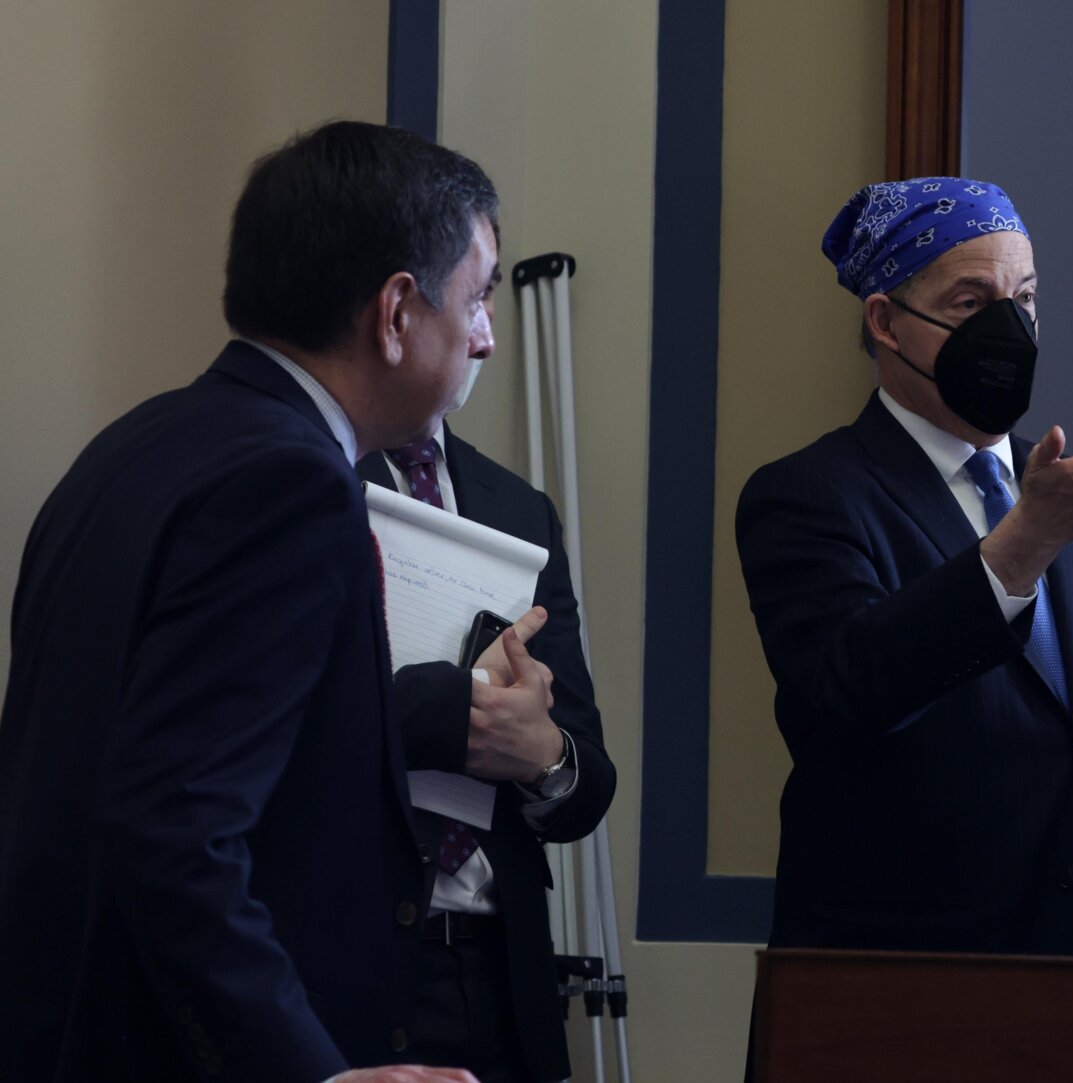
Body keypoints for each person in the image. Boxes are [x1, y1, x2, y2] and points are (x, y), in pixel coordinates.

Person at [0, 121, 498, 1082]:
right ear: (397, 312)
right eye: (476, 298)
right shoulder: (292, 488)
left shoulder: (133, 445)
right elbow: (173, 828)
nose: (483, 334)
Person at [735, 178, 1073, 958]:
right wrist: (1024, 540)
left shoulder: (1064, 490)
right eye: (969, 303)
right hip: (918, 979)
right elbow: (841, 700)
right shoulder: (810, 494)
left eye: (1024, 298)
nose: (1009, 328)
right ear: (885, 321)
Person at [360, 369, 616, 1080]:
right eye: (472, 296)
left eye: (491, 296)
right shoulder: (305, 473)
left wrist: (543, 756)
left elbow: (590, 777)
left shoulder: (520, 508)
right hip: (355, 962)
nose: (485, 336)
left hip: (502, 973)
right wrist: (439, 713)